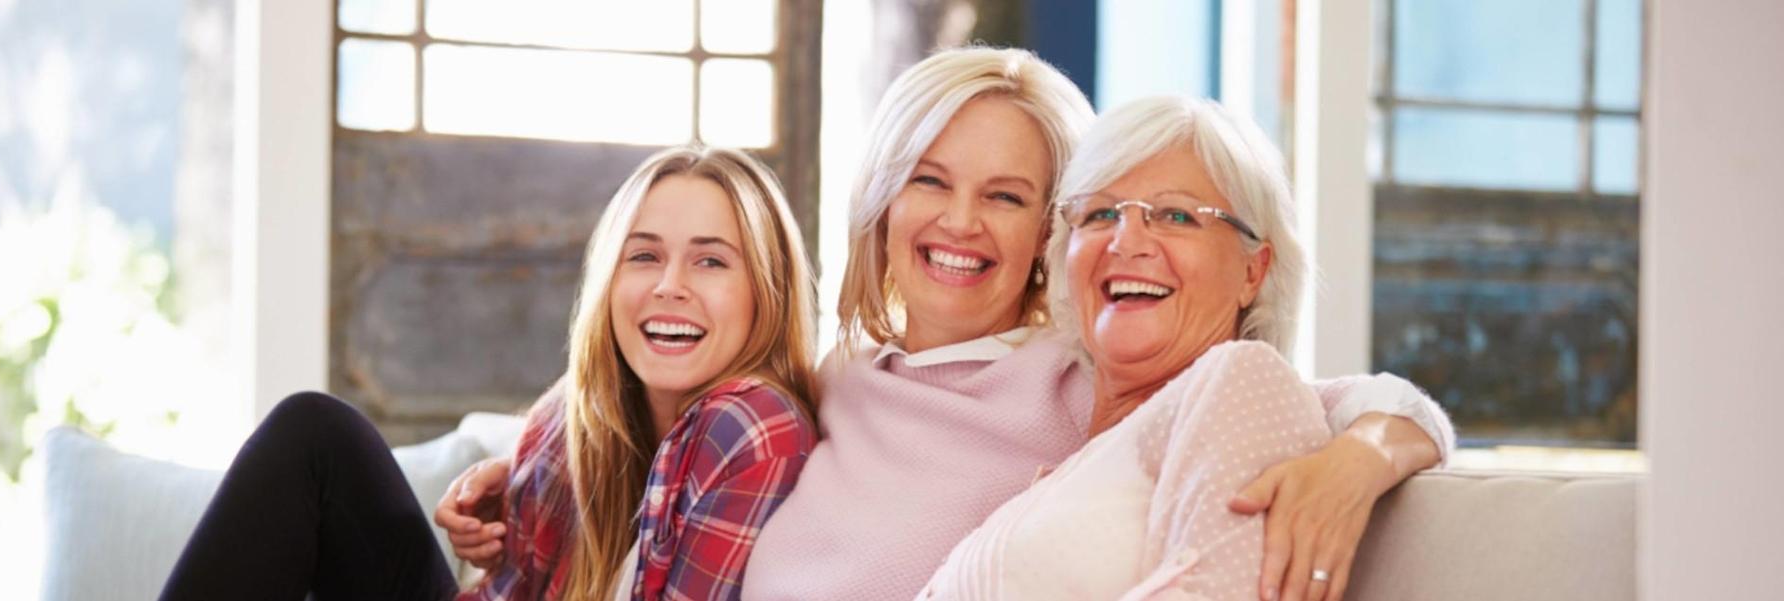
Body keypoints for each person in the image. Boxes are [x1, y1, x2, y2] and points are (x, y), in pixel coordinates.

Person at [448, 47, 1452, 601]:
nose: (960, 222)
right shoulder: (834, 378)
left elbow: (1338, 398)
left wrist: (1365, 453)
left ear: (1048, 234)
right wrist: (522, 457)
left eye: (1007, 196)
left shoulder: (1083, 375)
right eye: (930, 182)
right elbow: (676, 371)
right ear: (885, 204)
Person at [158, 145, 820, 601]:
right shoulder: (584, 414)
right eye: (643, 255)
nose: (669, 285)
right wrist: (516, 472)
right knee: (318, 437)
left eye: (710, 262)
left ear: (767, 288)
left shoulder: (752, 425)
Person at [915, 95, 1438, 600]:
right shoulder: (1072, 414)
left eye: (1177, 216)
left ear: (1253, 271)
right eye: (1100, 214)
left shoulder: (1240, 386)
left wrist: (1362, 457)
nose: (1127, 241)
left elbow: (1388, 404)